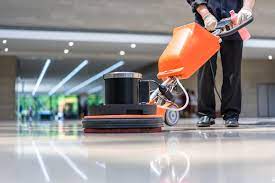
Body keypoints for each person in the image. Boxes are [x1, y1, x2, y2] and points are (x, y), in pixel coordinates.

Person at [186, 0, 255, 127]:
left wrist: (247, 8)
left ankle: (231, 114)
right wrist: (205, 14)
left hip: (233, 22)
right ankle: (205, 113)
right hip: (206, 23)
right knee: (205, 71)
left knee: (233, 72)